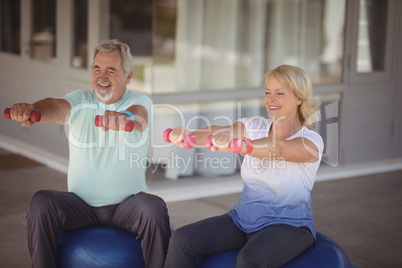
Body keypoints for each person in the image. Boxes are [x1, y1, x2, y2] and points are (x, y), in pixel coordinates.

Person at [7, 39, 170, 268]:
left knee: (153, 207)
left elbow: (139, 116)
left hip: (127, 208)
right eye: (97, 69)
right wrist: (33, 110)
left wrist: (124, 118)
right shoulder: (81, 99)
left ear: (128, 75)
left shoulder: (139, 100)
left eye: (110, 70)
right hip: (80, 207)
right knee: (40, 202)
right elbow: (56, 106)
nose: (102, 77)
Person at [164, 65, 324, 268]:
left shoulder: (311, 141)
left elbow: (279, 149)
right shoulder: (255, 126)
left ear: (299, 98)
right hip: (243, 219)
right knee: (183, 239)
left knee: (249, 260)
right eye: (267, 92)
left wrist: (245, 145)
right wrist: (188, 136)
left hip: (289, 226)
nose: (271, 99)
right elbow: (220, 131)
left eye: (280, 93)